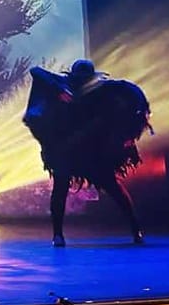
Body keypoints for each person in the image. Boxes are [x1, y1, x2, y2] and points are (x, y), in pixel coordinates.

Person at [24, 59, 152, 247]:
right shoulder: (62, 85)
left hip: (92, 152)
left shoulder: (103, 89)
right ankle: (57, 234)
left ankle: (136, 230)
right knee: (60, 189)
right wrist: (59, 90)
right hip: (66, 151)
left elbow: (129, 89)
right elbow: (36, 71)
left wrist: (140, 113)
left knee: (114, 188)